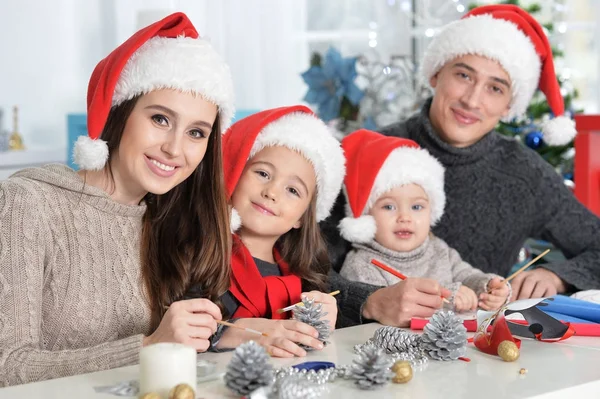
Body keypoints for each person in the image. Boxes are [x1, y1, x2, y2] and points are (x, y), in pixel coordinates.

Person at [0, 12, 235, 386]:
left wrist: (229, 333)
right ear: (120, 113)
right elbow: (6, 365)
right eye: (160, 119)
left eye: (196, 132)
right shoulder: (27, 203)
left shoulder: (168, 220)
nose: (175, 149)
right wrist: (148, 346)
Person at [322, 4, 600, 306]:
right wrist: (371, 301)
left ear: (509, 105)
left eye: (495, 88)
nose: (472, 100)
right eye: (464, 75)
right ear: (436, 73)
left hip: (478, 346)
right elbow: (304, 266)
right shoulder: (368, 154)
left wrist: (557, 276)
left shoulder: (525, 174)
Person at [212, 106, 345, 358]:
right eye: (262, 173)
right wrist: (231, 333)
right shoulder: (201, 259)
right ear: (234, 174)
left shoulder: (306, 276)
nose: (271, 192)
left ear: (302, 219)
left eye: (292, 190)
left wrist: (321, 324)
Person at [338, 129, 510, 312]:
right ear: (365, 216)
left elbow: (465, 274)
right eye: (389, 207)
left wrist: (487, 287)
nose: (405, 217)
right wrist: (449, 297)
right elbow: (395, 313)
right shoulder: (362, 266)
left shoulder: (438, 249)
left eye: (417, 207)